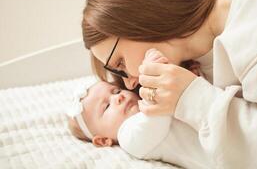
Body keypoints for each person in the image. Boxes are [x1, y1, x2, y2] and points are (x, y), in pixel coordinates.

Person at [81, 0, 257, 168]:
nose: (130, 83)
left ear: (137, 19)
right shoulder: (198, 68)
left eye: (120, 64)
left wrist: (193, 98)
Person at [68, 50, 209, 168]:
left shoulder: (142, 105)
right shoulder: (128, 138)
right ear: (103, 140)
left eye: (116, 91)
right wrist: (152, 73)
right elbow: (156, 116)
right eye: (107, 106)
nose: (118, 98)